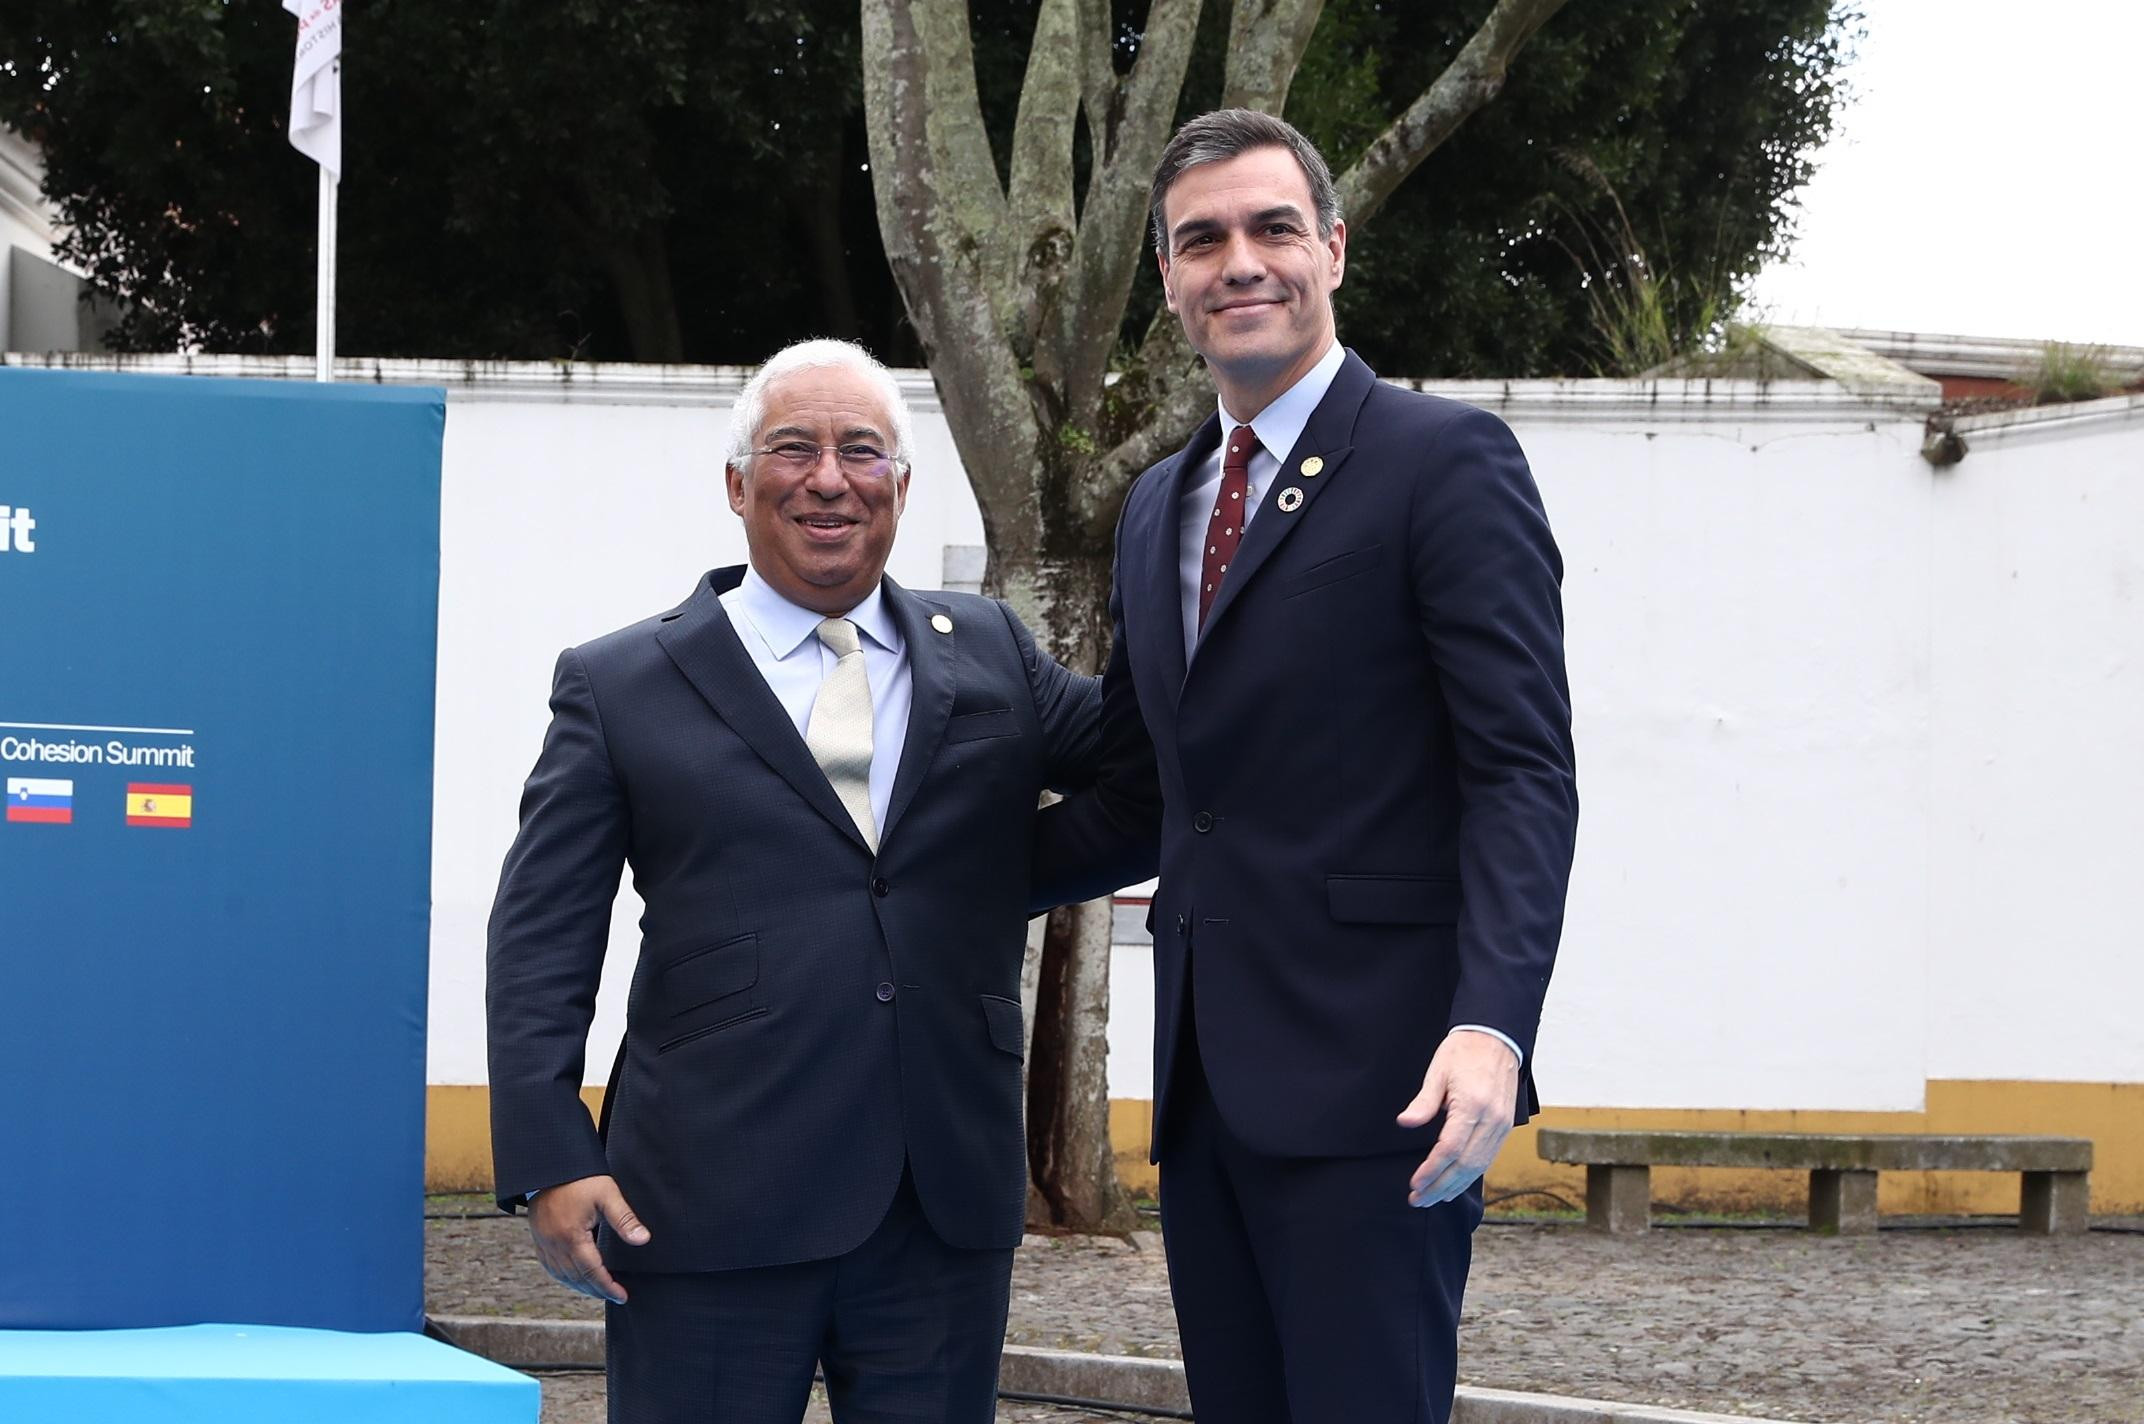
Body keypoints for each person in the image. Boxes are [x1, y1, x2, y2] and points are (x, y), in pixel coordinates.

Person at [484, 338, 1146, 1424]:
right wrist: (548, 1151)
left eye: (861, 450)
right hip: (701, 1204)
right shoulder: (619, 683)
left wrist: (994, 879)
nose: (828, 477)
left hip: (937, 1207)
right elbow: (541, 937)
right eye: (793, 448)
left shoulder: (988, 649)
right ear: (739, 485)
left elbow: (1141, 776)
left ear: (900, 483)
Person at [1051, 109, 1580, 1422]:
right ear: (1169, 281)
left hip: (1386, 1086)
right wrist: (909, 872)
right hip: (1208, 1093)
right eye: (1203, 239)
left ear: (1332, 250)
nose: (1241, 261)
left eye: (1272, 228)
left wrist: (1491, 1022)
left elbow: (1521, 770)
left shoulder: (1444, 462)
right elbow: (1146, 799)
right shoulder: (1154, 509)